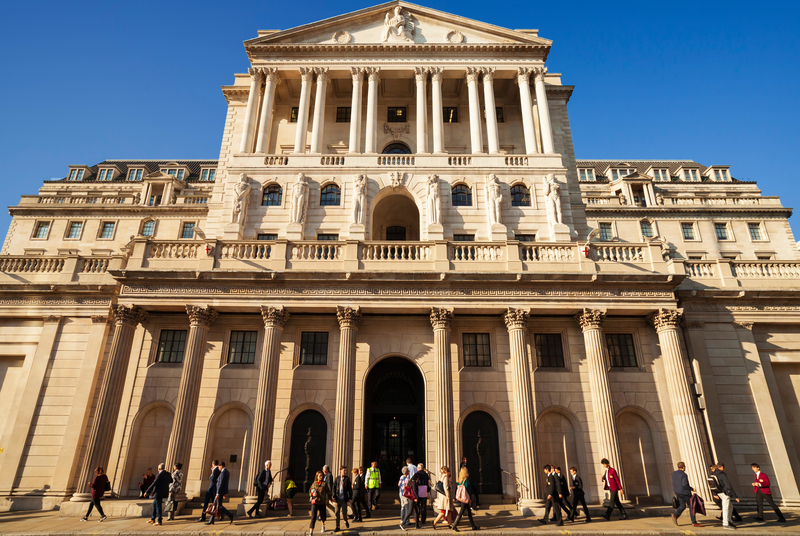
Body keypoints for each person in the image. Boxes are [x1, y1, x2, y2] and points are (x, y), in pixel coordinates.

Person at [672, 462, 700, 527]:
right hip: (685, 493)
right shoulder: (684, 475)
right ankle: (694, 522)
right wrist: (692, 489)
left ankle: (675, 515)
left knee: (682, 506)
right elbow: (684, 485)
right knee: (691, 506)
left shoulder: (674, 473)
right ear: (683, 467)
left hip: (678, 492)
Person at [452, 466, 479, 532]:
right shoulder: (466, 479)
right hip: (465, 498)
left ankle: (473, 526)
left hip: (461, 497)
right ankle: (454, 526)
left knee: (469, 512)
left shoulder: (460, 479)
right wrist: (470, 497)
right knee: (461, 512)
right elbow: (468, 489)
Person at [309, 470, 332, 535]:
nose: (321, 477)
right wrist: (312, 494)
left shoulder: (324, 484)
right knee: (313, 517)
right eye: (320, 476)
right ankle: (311, 532)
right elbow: (310, 492)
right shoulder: (314, 483)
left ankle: (323, 525)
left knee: (322, 516)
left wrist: (331, 498)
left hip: (322, 502)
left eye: (322, 475)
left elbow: (328, 491)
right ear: (317, 476)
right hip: (315, 502)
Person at [333, 466, 352, 532]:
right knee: (337, 513)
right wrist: (334, 496)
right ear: (340, 471)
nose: (345, 472)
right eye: (344, 470)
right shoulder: (337, 479)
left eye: (346, 470)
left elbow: (349, 489)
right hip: (338, 498)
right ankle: (337, 526)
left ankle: (345, 520)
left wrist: (350, 498)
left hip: (344, 499)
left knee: (344, 512)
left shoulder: (347, 479)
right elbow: (334, 488)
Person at [412, 463, 430, 528]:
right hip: (424, 491)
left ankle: (417, 518)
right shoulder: (426, 474)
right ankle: (423, 519)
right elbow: (429, 482)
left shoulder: (417, 474)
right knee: (423, 506)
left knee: (417, 507)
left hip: (418, 491)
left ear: (419, 468)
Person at [398, 466, 414, 530]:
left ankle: (402, 519)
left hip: (400, 493)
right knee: (407, 507)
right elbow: (407, 486)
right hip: (405, 495)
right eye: (408, 471)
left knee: (402, 507)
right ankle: (406, 521)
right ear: (406, 472)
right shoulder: (407, 479)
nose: (409, 472)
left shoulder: (401, 477)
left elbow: (398, 484)